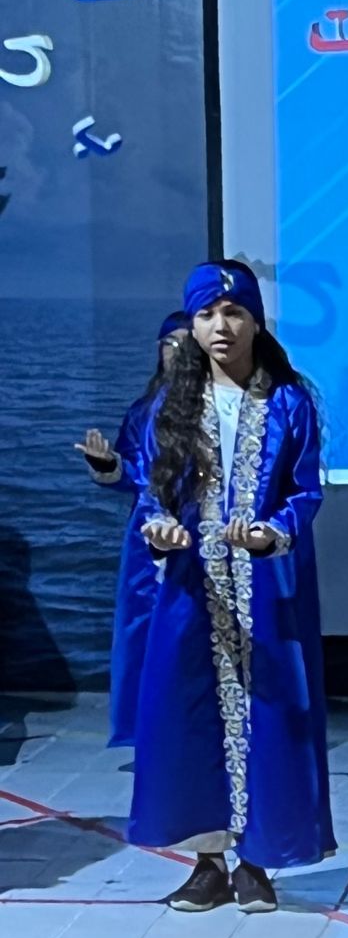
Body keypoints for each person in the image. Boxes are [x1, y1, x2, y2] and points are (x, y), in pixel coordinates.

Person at [134, 262, 333, 914]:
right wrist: (161, 526)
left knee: (272, 718)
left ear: (255, 321)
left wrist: (271, 533)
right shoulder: (171, 405)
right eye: (207, 314)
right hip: (192, 586)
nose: (221, 326)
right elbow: (151, 490)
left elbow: (306, 490)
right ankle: (206, 861)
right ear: (192, 326)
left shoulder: (289, 401)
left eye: (233, 312)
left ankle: (257, 859)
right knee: (190, 718)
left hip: (267, 587)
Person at [75, 312, 189, 748]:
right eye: (169, 344)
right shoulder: (144, 411)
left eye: (186, 343)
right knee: (143, 630)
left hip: (196, 531)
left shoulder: (217, 407)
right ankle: (149, 730)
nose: (177, 352)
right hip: (146, 538)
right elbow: (132, 473)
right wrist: (107, 464)